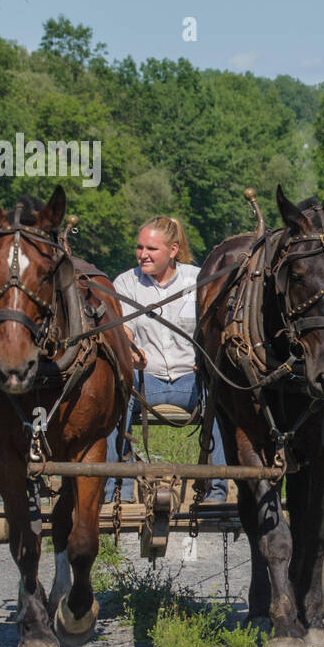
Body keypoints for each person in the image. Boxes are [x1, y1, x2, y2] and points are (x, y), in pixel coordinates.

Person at [104, 216, 227, 504]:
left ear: (173, 250)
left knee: (221, 395)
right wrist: (131, 350)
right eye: (139, 247)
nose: (142, 254)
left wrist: (206, 357)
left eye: (151, 249)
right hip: (146, 381)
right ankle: (115, 493)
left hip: (191, 380)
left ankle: (216, 492)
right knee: (113, 394)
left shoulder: (198, 280)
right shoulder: (125, 282)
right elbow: (124, 329)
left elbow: (212, 326)